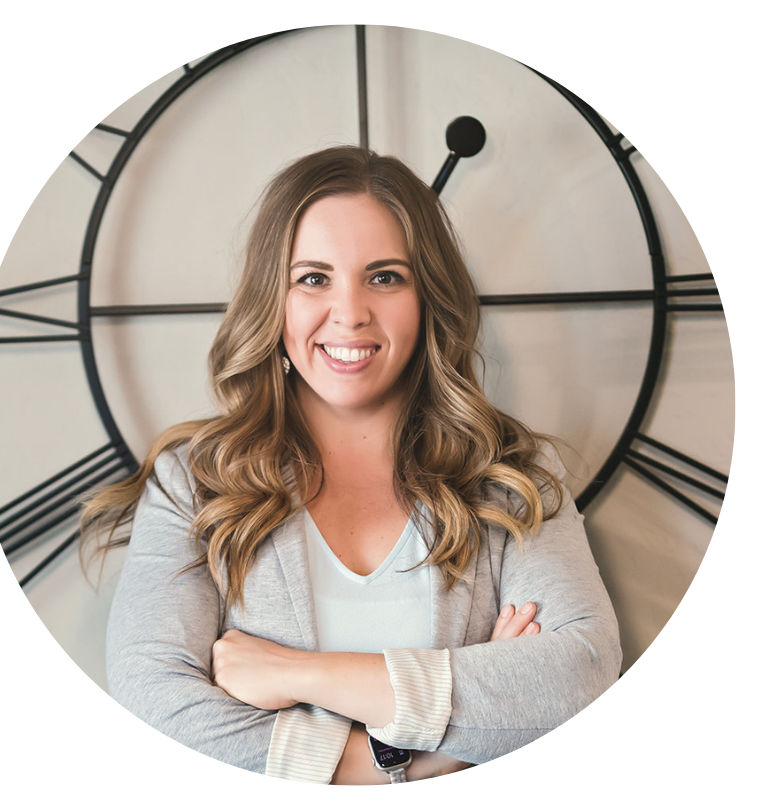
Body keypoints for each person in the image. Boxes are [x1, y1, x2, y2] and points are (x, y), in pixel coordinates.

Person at [81, 145, 622, 784]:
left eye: (385, 277)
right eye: (313, 278)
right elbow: (154, 697)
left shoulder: (513, 476)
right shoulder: (194, 482)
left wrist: (298, 673)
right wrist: (419, 759)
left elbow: (581, 673)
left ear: (427, 298)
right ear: (272, 300)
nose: (350, 312)